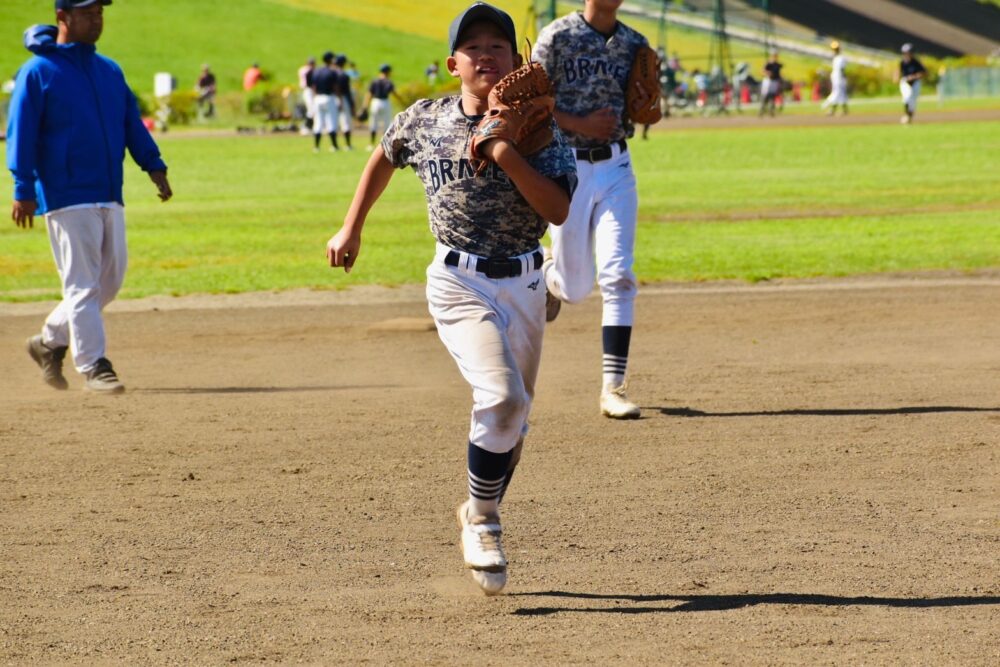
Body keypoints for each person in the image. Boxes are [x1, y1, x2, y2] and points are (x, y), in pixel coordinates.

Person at [326, 2, 575, 595]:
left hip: (525, 281)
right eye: (474, 46)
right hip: (458, 281)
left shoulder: (538, 129)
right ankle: (485, 522)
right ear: (453, 63)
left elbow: (558, 209)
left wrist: (506, 150)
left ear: (518, 62)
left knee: (513, 423)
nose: (486, 54)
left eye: (499, 45)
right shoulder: (425, 119)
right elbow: (382, 157)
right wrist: (351, 226)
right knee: (502, 393)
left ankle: (474, 509)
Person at [7, 0, 172, 394]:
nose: (97, 19)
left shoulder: (108, 70)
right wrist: (23, 189)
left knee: (109, 281)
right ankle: (94, 365)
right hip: (65, 193)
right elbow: (21, 134)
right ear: (62, 17)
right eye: (87, 13)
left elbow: (130, 122)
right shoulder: (38, 72)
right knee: (82, 284)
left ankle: (48, 342)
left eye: (100, 12)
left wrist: (154, 164)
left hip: (107, 190)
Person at [533, 0, 658, 419]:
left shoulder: (634, 43)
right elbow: (532, 105)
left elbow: (644, 108)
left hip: (617, 167)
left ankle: (613, 389)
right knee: (575, 290)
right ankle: (547, 272)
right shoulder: (556, 37)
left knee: (619, 274)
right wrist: (581, 124)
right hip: (566, 167)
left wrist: (648, 108)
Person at [361, 63, 403, 150]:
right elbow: (394, 94)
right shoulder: (388, 82)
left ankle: (371, 144)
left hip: (375, 102)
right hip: (385, 102)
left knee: (373, 123)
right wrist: (401, 101)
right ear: (387, 72)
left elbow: (369, 94)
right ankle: (384, 145)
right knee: (386, 124)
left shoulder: (374, 81)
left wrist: (365, 106)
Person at [310, 51, 340, 152]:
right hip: (329, 97)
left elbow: (313, 87)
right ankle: (334, 146)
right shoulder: (332, 72)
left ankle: (316, 147)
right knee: (331, 122)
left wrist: (314, 98)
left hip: (318, 98)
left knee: (318, 122)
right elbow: (335, 87)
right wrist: (338, 98)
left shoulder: (316, 71)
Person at [898, 43, 926, 124]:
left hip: (915, 83)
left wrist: (914, 77)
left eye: (908, 52)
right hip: (905, 82)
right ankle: (906, 115)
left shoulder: (916, 62)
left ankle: (909, 117)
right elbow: (900, 72)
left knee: (913, 102)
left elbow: (923, 72)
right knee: (907, 98)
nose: (906, 55)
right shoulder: (902, 63)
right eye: (905, 53)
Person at [821, 41, 848, 116]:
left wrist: (843, 78)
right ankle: (843, 109)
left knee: (837, 93)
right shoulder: (836, 58)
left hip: (839, 78)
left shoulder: (840, 58)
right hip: (836, 77)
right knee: (840, 93)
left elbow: (842, 70)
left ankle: (830, 108)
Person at [333, 54, 354, 150]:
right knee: (346, 122)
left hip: (332, 99)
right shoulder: (344, 75)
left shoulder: (332, 73)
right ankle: (348, 145)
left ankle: (334, 145)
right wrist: (352, 104)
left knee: (333, 122)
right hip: (343, 98)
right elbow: (347, 91)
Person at [759, 51, 783, 117]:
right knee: (765, 96)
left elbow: (779, 74)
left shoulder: (778, 65)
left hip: (775, 81)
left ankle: (771, 111)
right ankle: (762, 111)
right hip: (768, 81)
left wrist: (780, 80)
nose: (775, 57)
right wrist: (768, 73)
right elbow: (763, 71)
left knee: (773, 96)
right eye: (774, 56)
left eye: (776, 56)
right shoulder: (768, 64)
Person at [298, 56, 316, 132]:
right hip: (307, 90)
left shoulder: (312, 70)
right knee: (311, 108)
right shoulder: (305, 70)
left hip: (312, 90)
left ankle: (310, 126)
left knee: (313, 109)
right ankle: (306, 126)